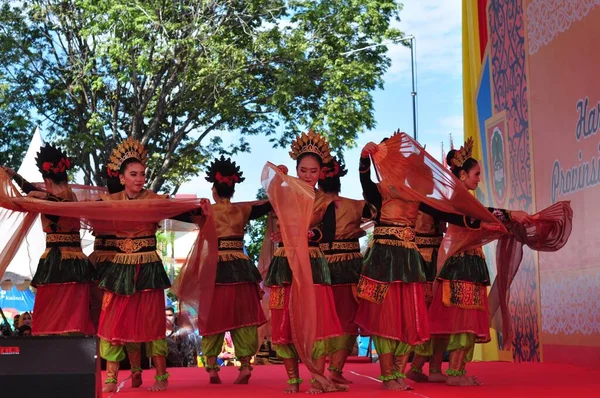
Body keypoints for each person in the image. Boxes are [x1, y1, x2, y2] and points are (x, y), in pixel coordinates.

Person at [356, 137, 498, 391]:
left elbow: (447, 215)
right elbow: (365, 183)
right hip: (383, 258)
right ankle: (388, 376)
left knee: (410, 316)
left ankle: (399, 373)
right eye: (399, 165)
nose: (404, 171)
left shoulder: (416, 196)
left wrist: (479, 224)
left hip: (410, 259)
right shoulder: (380, 191)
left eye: (407, 167)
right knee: (385, 317)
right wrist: (364, 159)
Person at [97, 137, 204, 392]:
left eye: (142, 174)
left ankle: (160, 376)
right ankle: (113, 377)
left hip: (147, 266)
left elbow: (183, 212)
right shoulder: (109, 202)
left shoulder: (155, 199)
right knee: (114, 321)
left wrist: (200, 208)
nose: (139, 179)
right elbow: (75, 210)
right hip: (120, 266)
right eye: (133, 174)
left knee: (152, 322)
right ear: (122, 178)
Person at [427, 139, 532, 386]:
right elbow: (481, 215)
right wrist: (508, 214)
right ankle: (453, 372)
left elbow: (482, 216)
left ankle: (444, 369)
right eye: (476, 174)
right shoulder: (458, 198)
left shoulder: (463, 198)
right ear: (462, 174)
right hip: (460, 263)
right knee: (463, 317)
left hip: (465, 262)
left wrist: (508, 220)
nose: (478, 179)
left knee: (458, 317)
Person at [264, 130, 347, 394]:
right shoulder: (284, 194)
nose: (308, 175)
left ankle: (317, 376)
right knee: (284, 320)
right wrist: (279, 179)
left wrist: (309, 234)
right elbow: (270, 195)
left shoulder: (325, 201)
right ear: (297, 170)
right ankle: (292, 379)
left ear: (321, 172)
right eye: (303, 170)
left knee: (315, 319)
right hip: (285, 261)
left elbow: (329, 234)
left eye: (313, 171)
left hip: (312, 261)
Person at [2, 145, 95, 336]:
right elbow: (39, 194)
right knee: (67, 309)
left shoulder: (59, 198)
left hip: (61, 260)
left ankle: (56, 346)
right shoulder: (62, 196)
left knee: (52, 308)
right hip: (66, 259)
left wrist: (40, 194)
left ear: (46, 179)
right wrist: (15, 177)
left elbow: (55, 204)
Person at [192, 156, 269, 384]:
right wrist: (281, 183)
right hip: (241, 267)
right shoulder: (244, 209)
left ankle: (212, 367)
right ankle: (245, 366)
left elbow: (175, 212)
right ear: (233, 189)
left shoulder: (204, 210)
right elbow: (270, 204)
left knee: (212, 316)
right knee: (243, 317)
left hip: (215, 270)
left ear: (214, 190)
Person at [318, 156, 372, 384]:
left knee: (322, 319)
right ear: (339, 178)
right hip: (347, 266)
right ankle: (335, 369)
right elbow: (379, 209)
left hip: (321, 266)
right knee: (348, 319)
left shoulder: (308, 206)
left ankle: (322, 372)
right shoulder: (357, 206)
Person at [407, 210, 448, 383]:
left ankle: (426, 366)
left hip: (423, 257)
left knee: (434, 317)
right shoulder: (433, 202)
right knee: (434, 317)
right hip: (428, 260)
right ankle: (427, 366)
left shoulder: (411, 200)